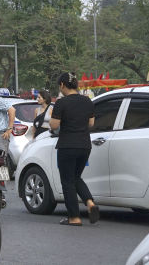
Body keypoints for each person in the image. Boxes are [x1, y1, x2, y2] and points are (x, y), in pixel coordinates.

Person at [50, 72, 99, 226]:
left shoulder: (61, 103)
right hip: (85, 145)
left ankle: (74, 217)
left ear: (62, 85)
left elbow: (54, 125)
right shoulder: (87, 101)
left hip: (67, 145)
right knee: (75, 177)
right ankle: (90, 202)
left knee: (67, 181)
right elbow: (91, 124)